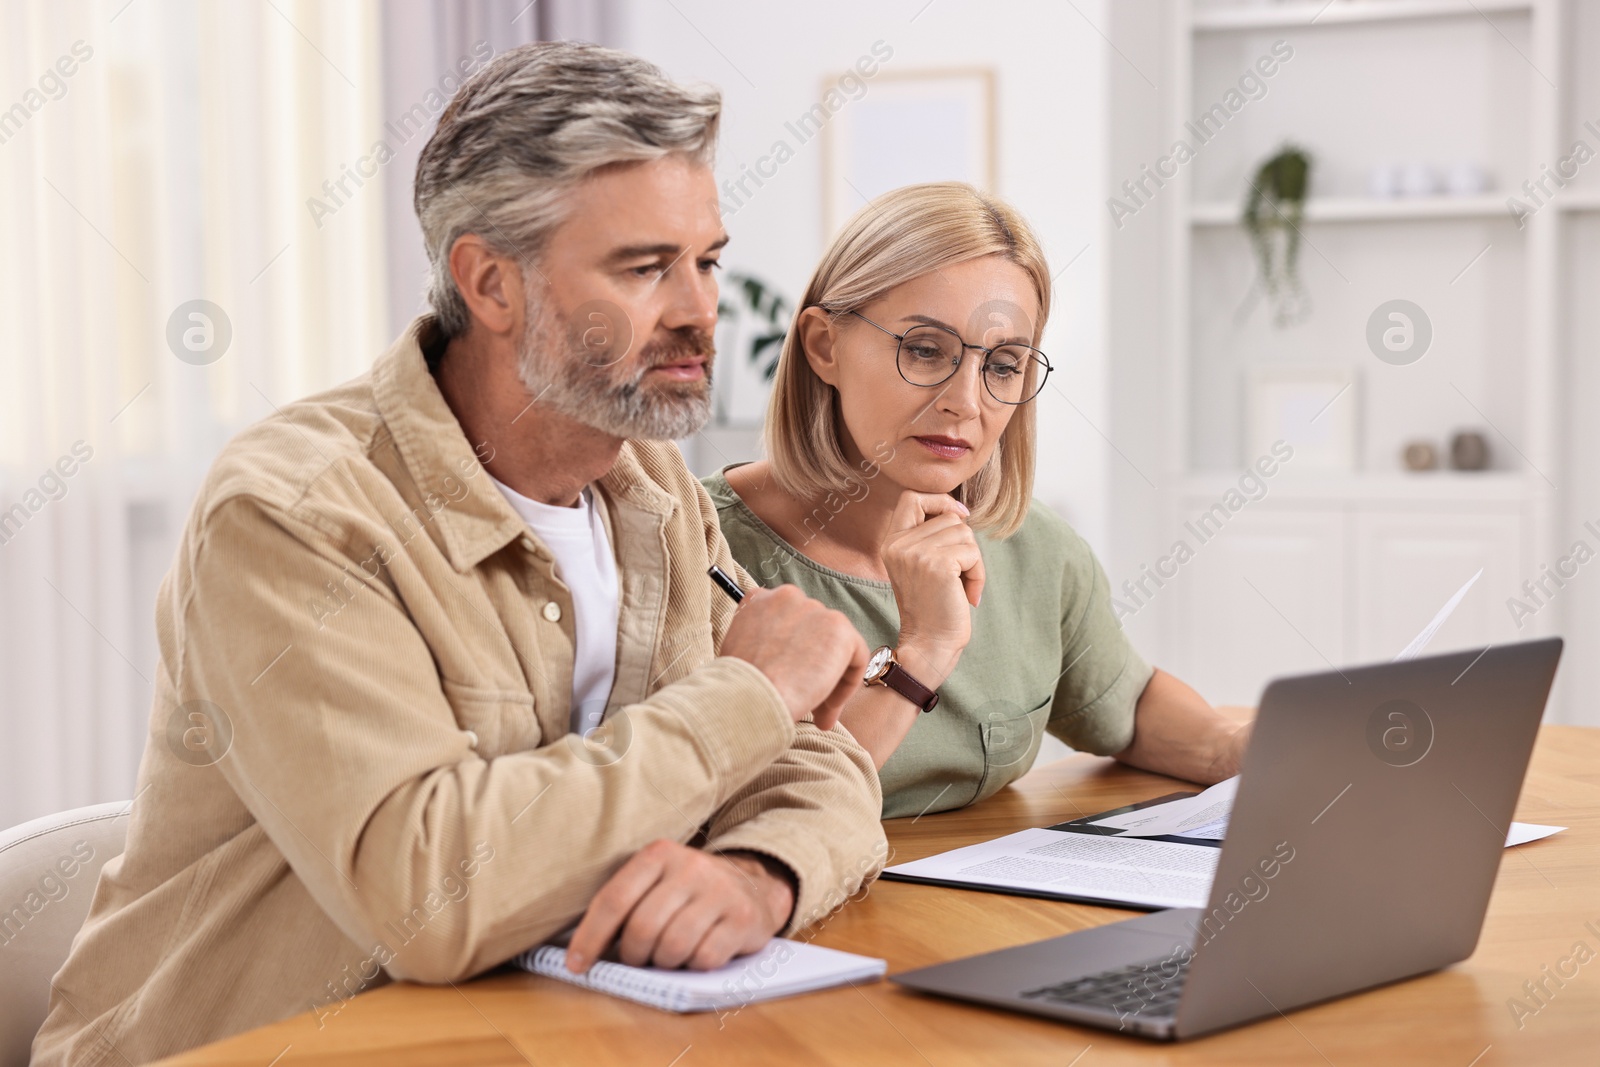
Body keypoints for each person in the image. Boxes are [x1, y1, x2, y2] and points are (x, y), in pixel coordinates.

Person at [33, 42, 886, 1066]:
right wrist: (749, 692)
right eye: (644, 266)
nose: (700, 309)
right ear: (489, 282)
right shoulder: (294, 513)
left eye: (705, 259)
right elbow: (432, 895)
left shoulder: (652, 487)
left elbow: (820, 761)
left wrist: (758, 872)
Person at [703, 183, 1251, 819]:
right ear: (824, 346)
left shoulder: (1035, 548)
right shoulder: (693, 547)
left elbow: (1123, 704)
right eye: (925, 350)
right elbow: (759, 806)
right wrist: (923, 649)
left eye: (1002, 365)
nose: (967, 401)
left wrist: (1237, 750)